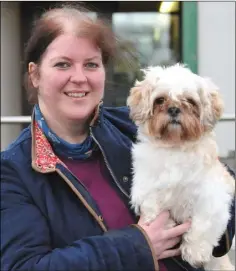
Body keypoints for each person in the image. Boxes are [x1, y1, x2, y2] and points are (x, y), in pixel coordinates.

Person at [1, 4, 235, 271]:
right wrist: (138, 245)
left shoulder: (135, 125)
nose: (79, 78)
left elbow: (222, 197)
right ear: (35, 74)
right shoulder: (12, 171)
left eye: (91, 64)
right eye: (63, 64)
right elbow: (24, 267)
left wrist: (208, 222)